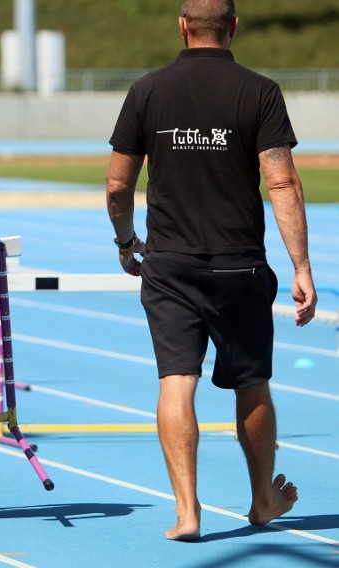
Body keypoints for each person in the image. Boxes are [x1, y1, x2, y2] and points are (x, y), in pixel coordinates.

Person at [105, 0, 317, 541]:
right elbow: (284, 184)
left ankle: (187, 513)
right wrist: (301, 267)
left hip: (169, 263)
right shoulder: (260, 91)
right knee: (252, 382)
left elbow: (117, 184)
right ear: (234, 28)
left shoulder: (146, 90)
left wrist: (127, 242)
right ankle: (262, 499)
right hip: (239, 265)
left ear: (182, 26)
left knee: (177, 381)